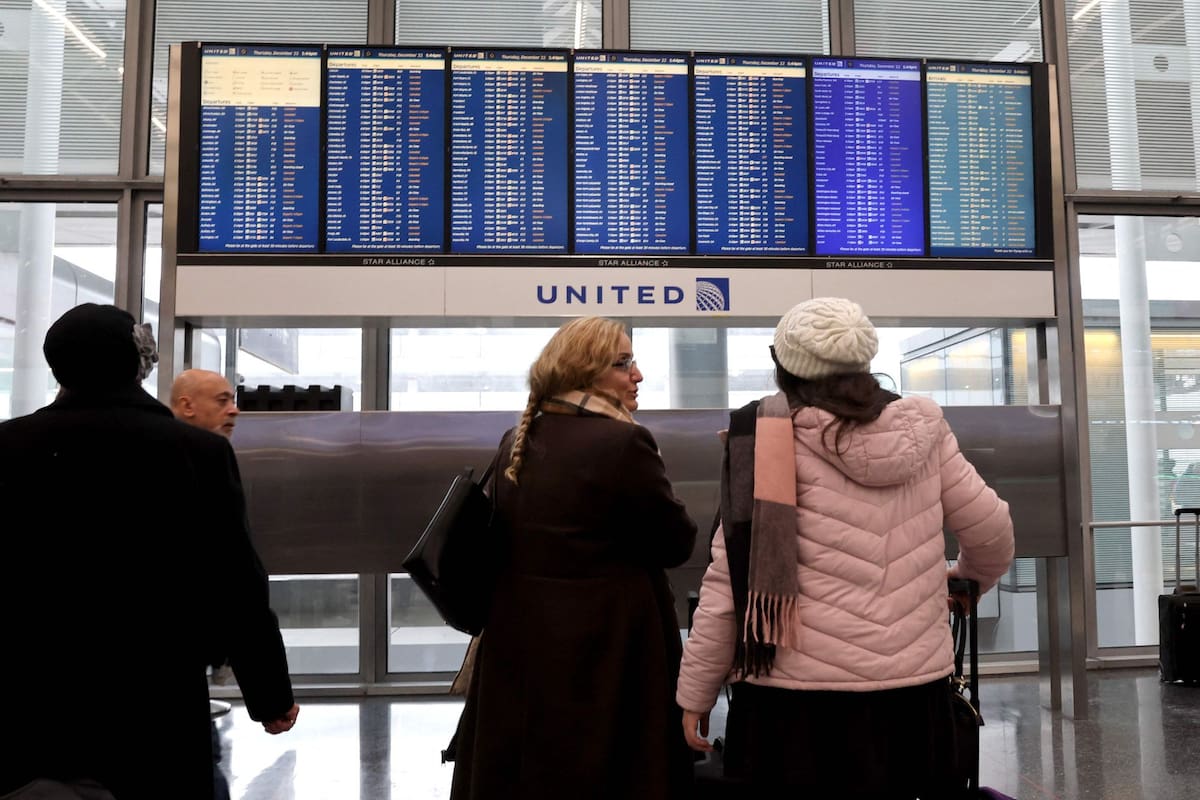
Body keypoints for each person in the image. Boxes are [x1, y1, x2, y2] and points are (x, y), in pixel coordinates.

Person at [677, 297, 1015, 798]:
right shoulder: (922, 429)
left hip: (793, 704)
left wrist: (696, 692)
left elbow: (730, 584)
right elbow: (992, 529)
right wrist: (967, 581)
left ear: (785, 366)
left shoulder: (764, 437)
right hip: (913, 693)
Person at [0, 304, 299, 800]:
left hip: (31, 698)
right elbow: (236, 581)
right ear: (137, 362)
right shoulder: (196, 452)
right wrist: (270, 694)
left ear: (57, 365)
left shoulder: (8, 447)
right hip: (156, 698)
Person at [450, 316, 699, 800]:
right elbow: (676, 543)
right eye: (623, 363)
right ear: (585, 372)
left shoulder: (517, 440)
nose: (638, 375)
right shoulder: (625, 442)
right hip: (608, 654)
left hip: (519, 647)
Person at [170, 368, 245, 800]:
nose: (233, 410)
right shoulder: (199, 459)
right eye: (222, 400)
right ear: (186, 405)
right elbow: (235, 572)